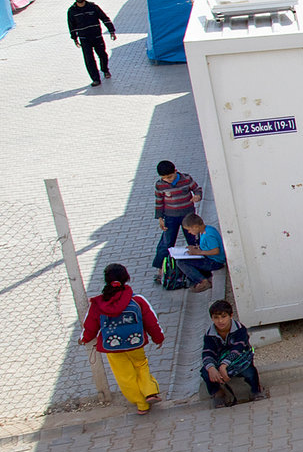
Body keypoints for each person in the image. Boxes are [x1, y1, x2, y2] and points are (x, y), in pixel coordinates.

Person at [79, 263, 165, 414]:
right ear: (127, 278)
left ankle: (141, 405)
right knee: (141, 365)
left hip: (113, 348)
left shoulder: (98, 304)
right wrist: (158, 338)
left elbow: (90, 326)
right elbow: (152, 321)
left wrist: (85, 338)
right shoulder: (137, 300)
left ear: (106, 280)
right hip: (136, 343)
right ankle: (150, 392)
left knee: (124, 375)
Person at [201, 299, 265, 406]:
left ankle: (256, 390)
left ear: (231, 316)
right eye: (216, 318)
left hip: (239, 360)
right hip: (220, 362)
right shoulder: (209, 335)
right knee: (205, 373)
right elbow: (207, 352)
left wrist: (224, 365)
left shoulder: (240, 330)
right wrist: (212, 368)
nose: (220, 321)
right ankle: (218, 393)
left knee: (249, 371)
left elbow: (238, 349)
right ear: (211, 318)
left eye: (223, 316)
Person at [151, 160, 202, 269]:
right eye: (165, 178)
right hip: (170, 217)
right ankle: (161, 268)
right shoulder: (160, 185)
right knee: (166, 242)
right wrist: (160, 218)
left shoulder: (187, 179)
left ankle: (199, 263)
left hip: (188, 216)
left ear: (176, 171)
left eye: (170, 177)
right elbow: (159, 201)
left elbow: (197, 189)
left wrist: (197, 196)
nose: (168, 180)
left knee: (193, 239)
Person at [67, 0, 117, 87]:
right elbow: (71, 25)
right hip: (84, 39)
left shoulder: (93, 7)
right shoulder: (72, 11)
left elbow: (104, 18)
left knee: (103, 55)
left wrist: (111, 31)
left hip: (97, 36)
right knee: (89, 59)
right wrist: (74, 38)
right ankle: (95, 79)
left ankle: (105, 70)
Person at [174, 213, 225, 292]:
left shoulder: (208, 235)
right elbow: (207, 246)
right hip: (210, 259)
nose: (189, 232)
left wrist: (198, 253)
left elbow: (216, 250)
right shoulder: (206, 230)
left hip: (215, 262)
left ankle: (203, 282)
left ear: (195, 227)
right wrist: (196, 248)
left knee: (181, 263)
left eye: (189, 230)